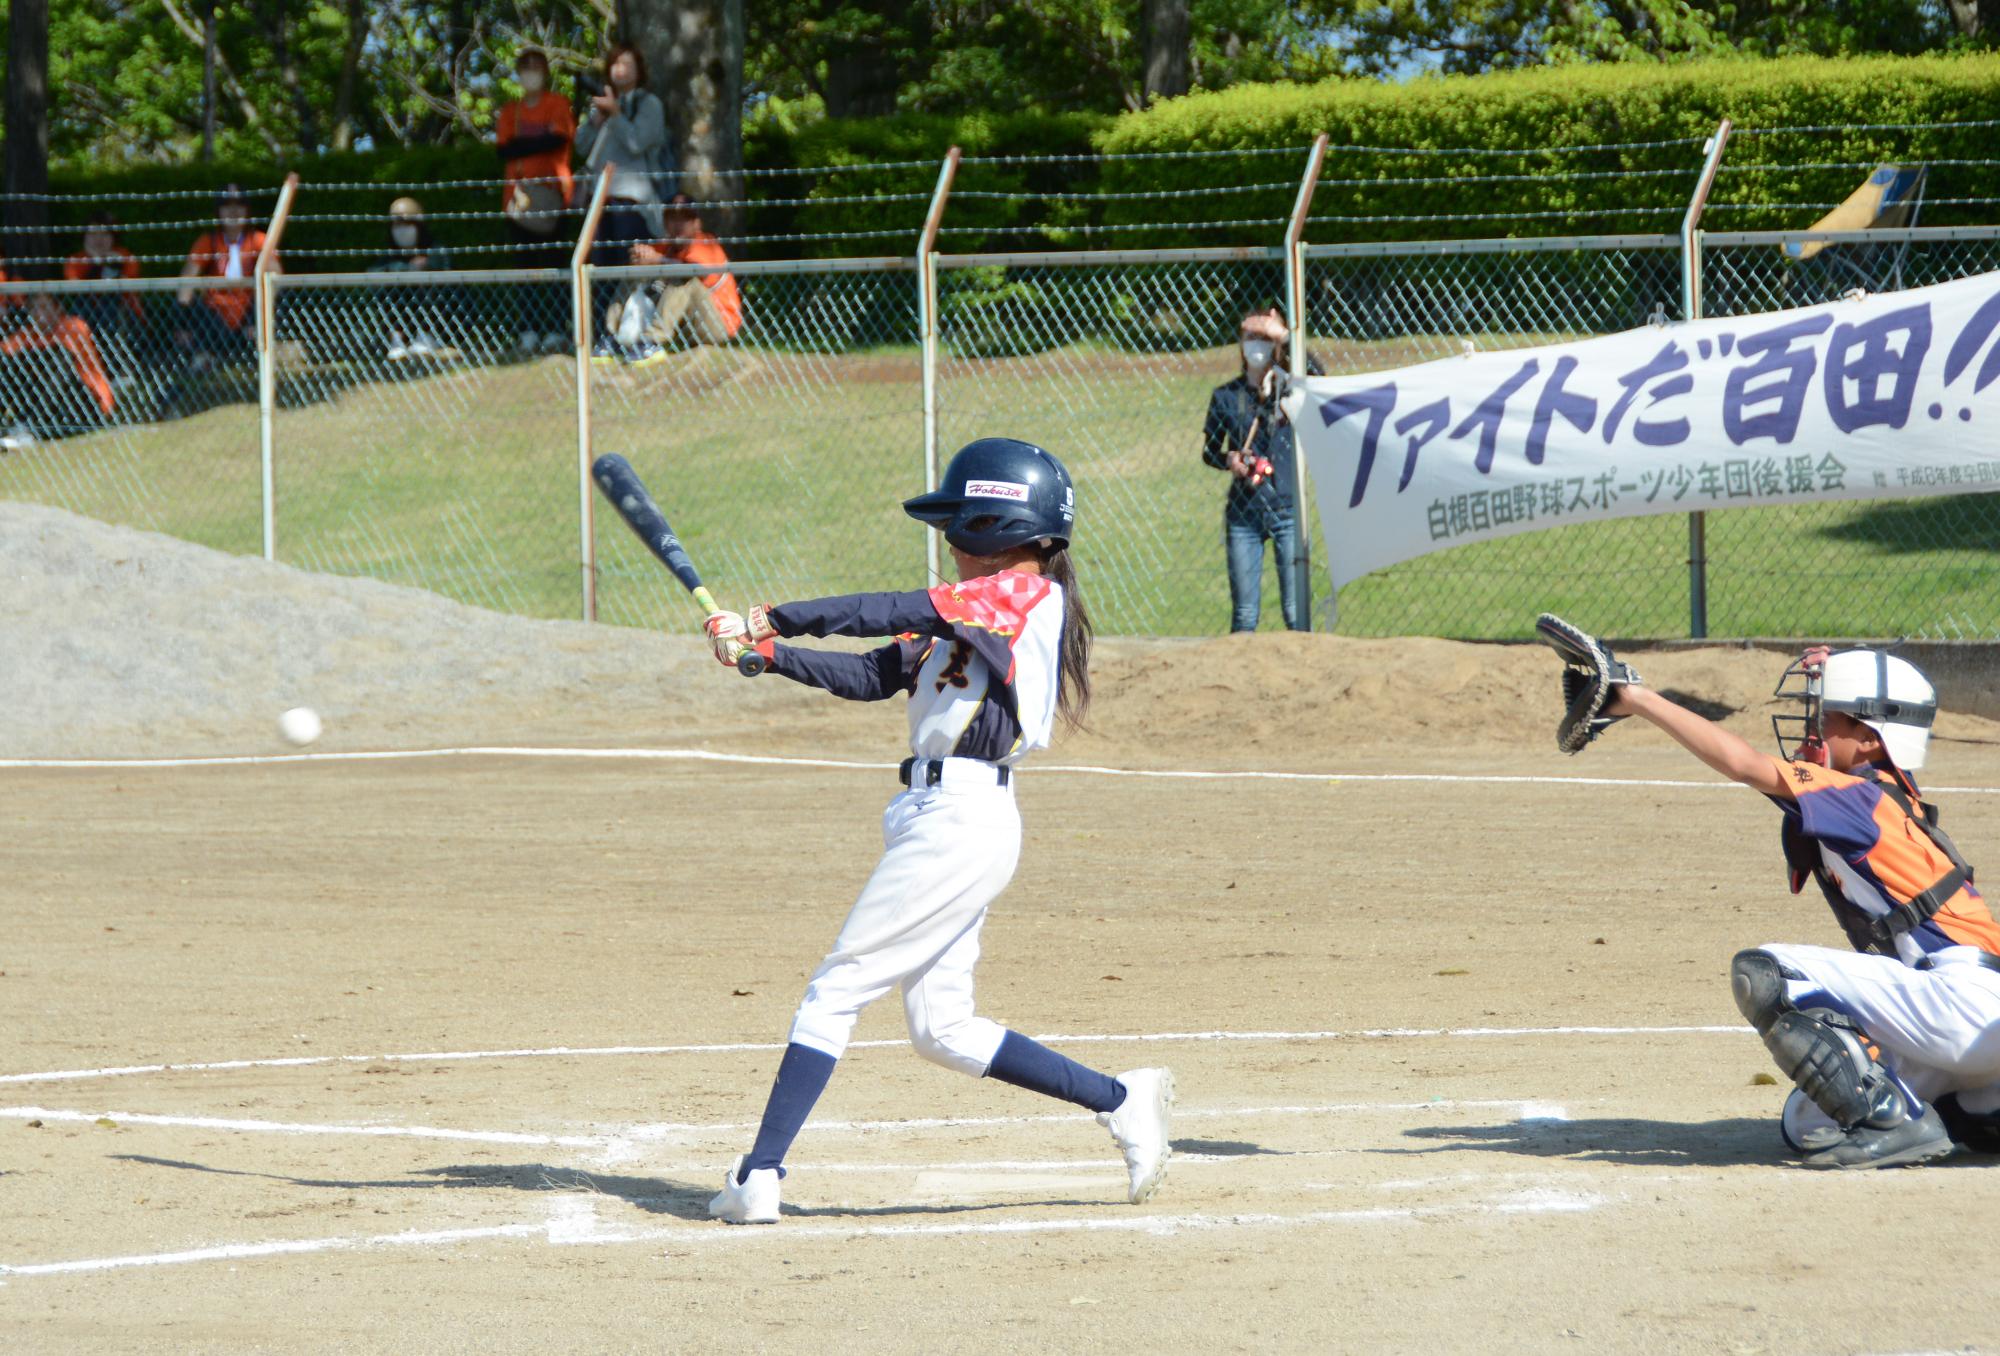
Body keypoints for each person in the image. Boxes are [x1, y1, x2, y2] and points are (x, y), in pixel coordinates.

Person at [698, 437, 1175, 1224]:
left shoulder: (1024, 596)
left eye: (961, 522)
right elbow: (875, 672)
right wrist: (770, 655)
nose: (951, 539)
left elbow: (899, 607)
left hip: (962, 818)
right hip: (936, 816)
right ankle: (1124, 1100)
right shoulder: (973, 605)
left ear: (998, 523)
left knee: (834, 991)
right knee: (943, 1028)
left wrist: (776, 614)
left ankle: (759, 1176)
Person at [1570, 625, 2000, 1169]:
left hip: (1961, 1004)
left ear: (1871, 739)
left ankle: (1901, 1126)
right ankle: (1978, 1111)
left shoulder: (1858, 798)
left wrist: (1636, 697)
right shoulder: (1880, 797)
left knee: (1770, 972)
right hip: (1968, 1024)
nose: (1815, 731)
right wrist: (1837, 671)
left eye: (1829, 721)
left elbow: (1744, 765)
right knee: (1808, 1123)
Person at [1201, 308, 1315, 633]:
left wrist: (1283, 334)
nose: (1257, 346)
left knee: (1296, 611)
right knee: (1245, 614)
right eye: (1250, 338)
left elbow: (1318, 375)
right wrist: (1229, 460)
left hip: (1287, 509)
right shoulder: (1226, 396)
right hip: (1243, 514)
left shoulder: (1291, 389)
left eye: (1264, 339)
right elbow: (1209, 451)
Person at [573, 44, 676, 359]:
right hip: (598, 200)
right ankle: (603, 336)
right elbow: (580, 146)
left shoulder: (649, 104)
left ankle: (632, 335)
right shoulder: (604, 107)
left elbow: (637, 142)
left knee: (629, 268)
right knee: (599, 268)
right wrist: (598, 119)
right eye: (615, 64)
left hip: (633, 200)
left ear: (640, 70)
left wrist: (617, 115)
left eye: (627, 64)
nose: (620, 70)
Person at [495, 46, 575, 356]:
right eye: (524, 68)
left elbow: (559, 138)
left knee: (554, 264)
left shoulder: (558, 104)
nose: (530, 73)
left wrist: (521, 145)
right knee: (524, 266)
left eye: (535, 67)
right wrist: (537, 144)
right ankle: (528, 329)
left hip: (553, 194)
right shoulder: (509, 111)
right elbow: (504, 150)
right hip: (517, 199)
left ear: (545, 72)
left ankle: (556, 329)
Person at [622, 194, 742, 360]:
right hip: (686, 327)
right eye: (672, 218)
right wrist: (639, 257)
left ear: (696, 224)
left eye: (684, 218)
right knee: (634, 276)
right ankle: (613, 338)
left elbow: (697, 271)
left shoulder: (704, 242)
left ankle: (651, 341)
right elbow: (644, 259)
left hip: (717, 325)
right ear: (665, 222)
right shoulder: (666, 246)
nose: (678, 224)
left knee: (685, 277)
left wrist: (657, 260)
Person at [172, 184, 275, 369]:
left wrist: (257, 316)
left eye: (239, 205)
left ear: (247, 210)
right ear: (219, 211)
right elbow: (187, 279)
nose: (233, 211)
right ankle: (206, 353)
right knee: (194, 304)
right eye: (227, 205)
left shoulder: (258, 239)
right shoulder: (208, 241)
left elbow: (276, 276)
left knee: (274, 296)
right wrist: (182, 323)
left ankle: (256, 350)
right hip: (214, 316)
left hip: (248, 313)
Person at [0, 289, 115, 449]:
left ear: (57, 308)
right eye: (35, 309)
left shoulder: (73, 327)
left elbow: (73, 367)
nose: (41, 313)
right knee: (10, 364)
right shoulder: (27, 335)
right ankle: (18, 427)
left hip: (81, 398)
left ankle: (32, 430)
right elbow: (5, 355)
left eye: (45, 307)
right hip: (46, 401)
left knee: (60, 357)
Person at [367, 197, 453, 361]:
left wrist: (417, 269)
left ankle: (427, 334)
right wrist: (405, 269)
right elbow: (375, 273)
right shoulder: (390, 254)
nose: (401, 230)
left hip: (431, 310)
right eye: (396, 225)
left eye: (407, 224)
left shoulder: (434, 248)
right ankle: (397, 339)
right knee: (389, 290)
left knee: (428, 286)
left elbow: (443, 271)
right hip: (402, 311)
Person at [64, 212, 144, 355]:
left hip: (122, 311)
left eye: (104, 234)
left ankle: (118, 361)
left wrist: (113, 265)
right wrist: (98, 261)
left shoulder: (124, 256)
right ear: (85, 236)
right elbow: (76, 288)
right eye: (93, 234)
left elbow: (125, 287)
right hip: (87, 311)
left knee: (111, 305)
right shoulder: (75, 260)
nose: (98, 239)